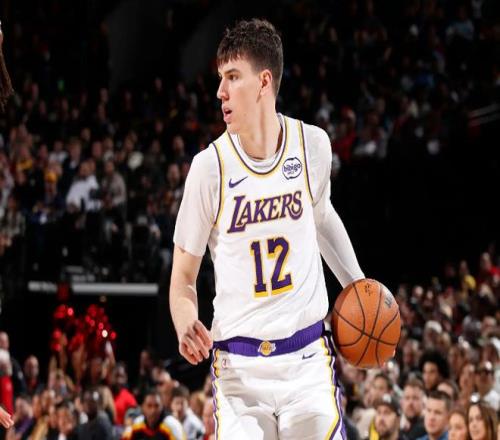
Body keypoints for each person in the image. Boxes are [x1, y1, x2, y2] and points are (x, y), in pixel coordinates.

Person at [170, 18, 365, 439]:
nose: (220, 92)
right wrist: (185, 321)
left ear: (263, 82)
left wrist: (359, 287)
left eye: (232, 76)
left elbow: (322, 218)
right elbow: (183, 277)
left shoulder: (311, 145)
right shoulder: (209, 168)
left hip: (307, 360)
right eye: (220, 78)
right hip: (239, 368)